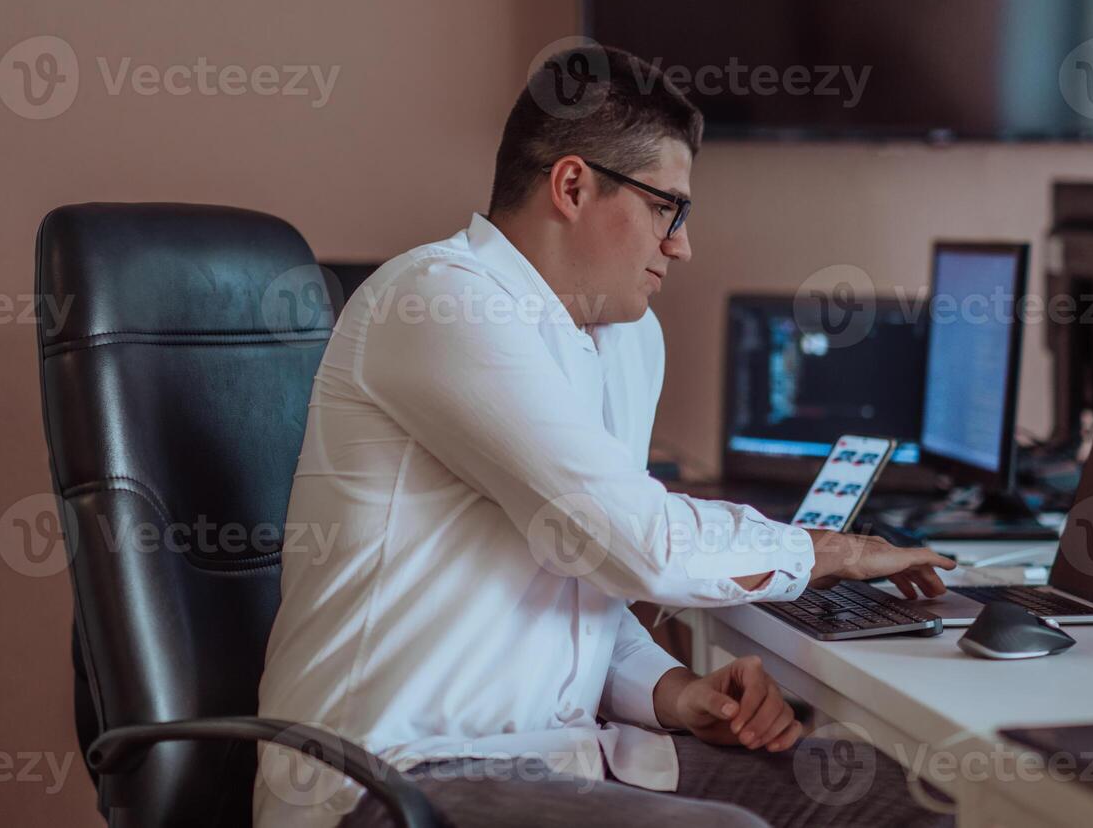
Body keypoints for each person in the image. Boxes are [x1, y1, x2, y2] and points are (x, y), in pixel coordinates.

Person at [254, 45, 958, 828]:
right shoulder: (439, 302)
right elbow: (634, 542)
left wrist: (674, 691)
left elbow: (581, 579)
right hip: (386, 780)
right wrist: (829, 552)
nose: (681, 244)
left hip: (567, 759)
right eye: (667, 208)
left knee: (908, 804)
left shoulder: (628, 339)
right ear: (572, 186)